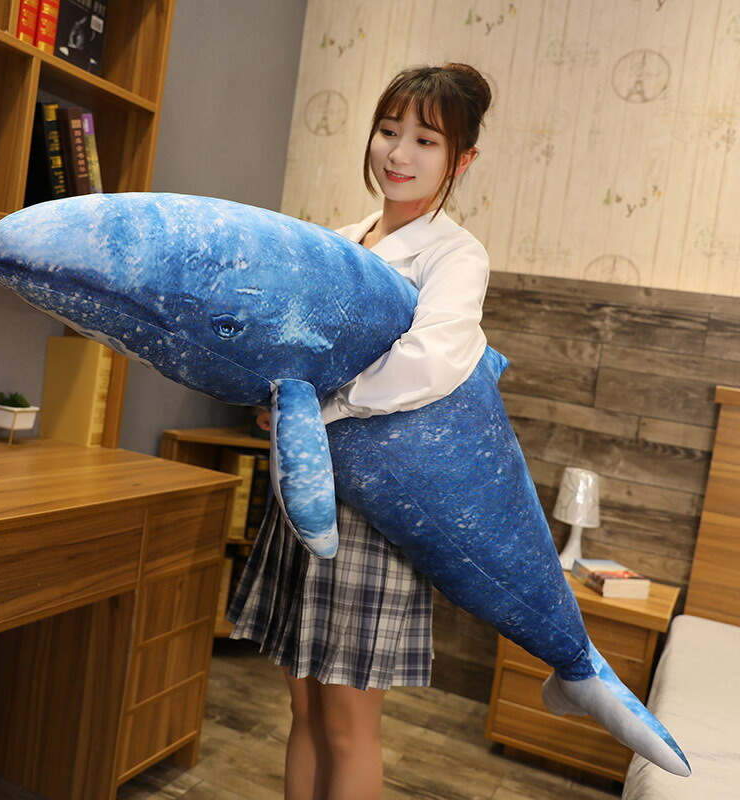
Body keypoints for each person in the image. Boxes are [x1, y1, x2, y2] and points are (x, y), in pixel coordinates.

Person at [227, 62, 492, 800]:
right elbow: (294, 347)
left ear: (462, 159)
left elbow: (431, 362)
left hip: (376, 510)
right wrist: (275, 401)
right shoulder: (341, 240)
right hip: (305, 495)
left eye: (426, 140)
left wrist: (322, 408)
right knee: (302, 708)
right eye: (387, 130)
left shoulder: (455, 254)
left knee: (348, 726)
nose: (398, 154)